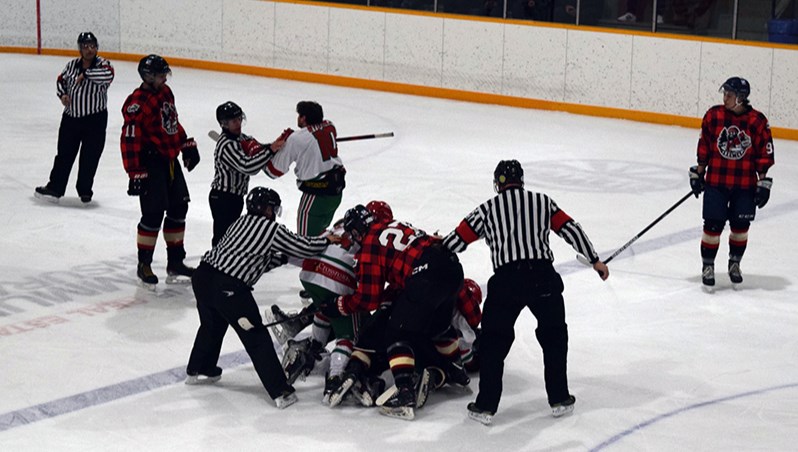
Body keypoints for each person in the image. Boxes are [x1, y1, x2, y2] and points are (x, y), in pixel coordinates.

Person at [441, 159, 609, 426]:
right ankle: (559, 398)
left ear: (498, 183)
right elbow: (570, 229)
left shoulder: (488, 208)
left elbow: (457, 239)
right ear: (522, 180)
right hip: (543, 278)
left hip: (507, 281)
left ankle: (485, 406)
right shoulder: (542, 202)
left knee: (494, 343)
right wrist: (594, 260)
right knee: (554, 338)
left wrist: (437, 246)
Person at [185, 187, 339, 409]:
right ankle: (280, 391)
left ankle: (199, 367)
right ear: (266, 209)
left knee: (212, 325)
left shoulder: (240, 223)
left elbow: (255, 261)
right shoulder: (270, 229)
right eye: (272, 208)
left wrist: (284, 258)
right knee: (256, 338)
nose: (274, 213)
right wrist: (327, 241)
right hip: (229, 289)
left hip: (203, 278)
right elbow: (303, 246)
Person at [322, 205, 465, 420]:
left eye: (352, 233)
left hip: (425, 275)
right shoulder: (392, 225)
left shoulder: (369, 243)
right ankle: (455, 367)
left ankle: (404, 392)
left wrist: (339, 305)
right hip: (452, 268)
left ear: (358, 229)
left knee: (397, 333)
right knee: (437, 326)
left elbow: (368, 298)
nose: (353, 239)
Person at [121, 54, 201, 288]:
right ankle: (143, 263)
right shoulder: (137, 103)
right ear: (148, 76)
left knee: (179, 208)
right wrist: (135, 172)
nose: (165, 76)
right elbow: (129, 138)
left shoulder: (165, 92)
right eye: (161, 73)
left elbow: (171, 122)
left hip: (169, 161)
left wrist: (185, 144)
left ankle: (175, 261)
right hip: (150, 164)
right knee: (153, 214)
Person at [689, 77, 774, 292]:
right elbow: (704, 147)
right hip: (717, 182)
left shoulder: (757, 121)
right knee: (712, 227)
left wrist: (763, 183)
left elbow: (763, 154)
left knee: (740, 228)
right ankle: (707, 266)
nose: (725, 98)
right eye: (724, 93)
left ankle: (734, 263)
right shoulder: (713, 116)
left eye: (729, 94)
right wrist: (698, 174)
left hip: (744, 185)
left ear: (741, 98)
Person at [35, 32, 114, 204]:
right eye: (85, 46)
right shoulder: (71, 65)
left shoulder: (103, 64)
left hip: (95, 119)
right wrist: (62, 95)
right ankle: (55, 188)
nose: (89, 49)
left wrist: (86, 74)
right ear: (80, 48)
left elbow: (108, 76)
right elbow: (60, 80)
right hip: (71, 119)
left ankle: (85, 190)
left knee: (90, 156)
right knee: (64, 154)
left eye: (92, 46)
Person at [209, 101, 289, 246]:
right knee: (222, 238)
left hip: (235, 197)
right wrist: (270, 150)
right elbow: (248, 166)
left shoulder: (241, 138)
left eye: (240, 119)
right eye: (234, 121)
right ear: (224, 124)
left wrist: (274, 145)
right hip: (222, 198)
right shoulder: (226, 145)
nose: (238, 123)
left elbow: (257, 150)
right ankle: (215, 264)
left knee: (230, 237)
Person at [264, 101, 345, 236]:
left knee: (305, 243)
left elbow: (273, 171)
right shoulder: (330, 126)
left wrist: (270, 152)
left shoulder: (296, 139)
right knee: (320, 236)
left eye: (299, 115)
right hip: (336, 192)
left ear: (304, 118)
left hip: (316, 198)